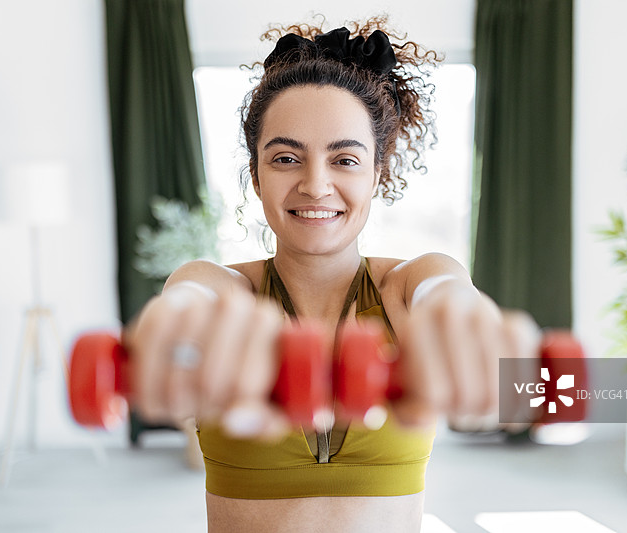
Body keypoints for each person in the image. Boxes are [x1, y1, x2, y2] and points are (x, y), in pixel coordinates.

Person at [127, 16, 540, 533]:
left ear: (378, 172)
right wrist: (176, 326)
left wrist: (466, 322)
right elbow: (189, 300)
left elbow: (448, 295)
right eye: (285, 158)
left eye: (344, 159)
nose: (315, 185)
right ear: (256, 175)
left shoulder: (410, 286)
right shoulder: (221, 288)